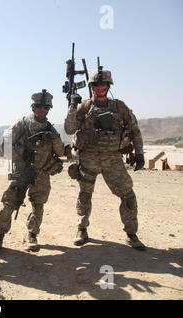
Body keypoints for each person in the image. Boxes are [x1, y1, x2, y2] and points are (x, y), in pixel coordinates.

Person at [64, 68, 146, 250]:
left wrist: (139, 153)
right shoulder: (84, 107)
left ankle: (131, 233)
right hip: (88, 158)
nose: (99, 88)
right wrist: (72, 105)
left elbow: (135, 131)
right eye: (96, 85)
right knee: (84, 196)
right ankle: (81, 229)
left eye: (103, 85)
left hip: (113, 159)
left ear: (108, 86)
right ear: (91, 86)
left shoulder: (120, 107)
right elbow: (69, 129)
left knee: (128, 196)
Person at [0, 90, 64, 253]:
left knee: (38, 206)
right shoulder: (21, 124)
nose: (41, 109)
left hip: (41, 174)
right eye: (38, 106)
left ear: (49, 108)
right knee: (9, 205)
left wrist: (53, 139)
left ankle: (32, 235)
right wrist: (20, 159)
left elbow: (61, 151)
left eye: (45, 107)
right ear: (32, 107)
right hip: (22, 172)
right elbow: (5, 145)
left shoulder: (51, 129)